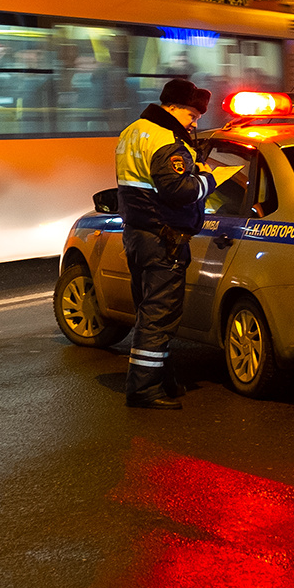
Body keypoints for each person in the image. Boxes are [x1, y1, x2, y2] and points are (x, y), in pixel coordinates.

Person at [113, 78, 229, 409]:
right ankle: (144, 390)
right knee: (159, 315)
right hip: (164, 239)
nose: (195, 123)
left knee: (149, 312)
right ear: (174, 107)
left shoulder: (132, 132)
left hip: (137, 235)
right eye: (192, 115)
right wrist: (208, 179)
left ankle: (163, 380)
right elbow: (178, 191)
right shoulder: (166, 140)